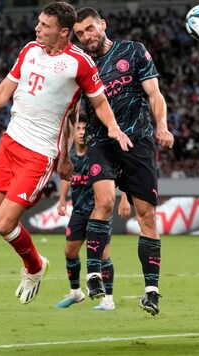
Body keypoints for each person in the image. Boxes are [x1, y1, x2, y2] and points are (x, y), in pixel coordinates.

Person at [0, 1, 131, 305]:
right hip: (10, 143)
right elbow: (3, 90)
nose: (37, 28)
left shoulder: (80, 63)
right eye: (38, 23)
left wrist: (113, 127)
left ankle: (34, 267)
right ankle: (35, 263)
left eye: (45, 26)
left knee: (6, 224)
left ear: (64, 32)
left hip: (38, 154)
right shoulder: (29, 50)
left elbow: (99, 103)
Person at [73, 7, 174, 315]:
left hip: (138, 140)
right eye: (79, 33)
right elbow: (69, 113)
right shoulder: (80, 66)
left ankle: (152, 291)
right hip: (101, 141)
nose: (86, 36)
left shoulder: (133, 51)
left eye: (90, 29)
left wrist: (162, 125)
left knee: (147, 217)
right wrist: (64, 152)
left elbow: (154, 94)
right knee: (103, 202)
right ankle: (92, 275)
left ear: (103, 25)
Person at [55, 115, 132, 310]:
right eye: (78, 128)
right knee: (69, 252)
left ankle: (108, 299)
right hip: (79, 211)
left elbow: (121, 174)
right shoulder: (71, 156)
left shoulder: (99, 155)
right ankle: (75, 293)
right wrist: (62, 199)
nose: (81, 132)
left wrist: (125, 198)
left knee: (103, 254)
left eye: (84, 128)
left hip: (99, 212)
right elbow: (66, 177)